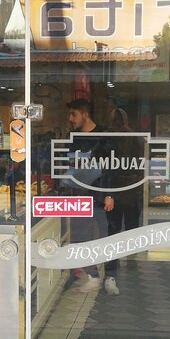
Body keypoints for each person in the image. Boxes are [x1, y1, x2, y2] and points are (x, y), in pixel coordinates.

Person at [65, 99, 108, 292]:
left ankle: (110, 276)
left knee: (105, 236)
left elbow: (111, 167)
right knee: (81, 235)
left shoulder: (103, 136)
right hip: (79, 194)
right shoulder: (72, 138)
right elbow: (70, 166)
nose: (70, 119)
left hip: (100, 195)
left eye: (73, 114)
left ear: (85, 114)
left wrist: (109, 194)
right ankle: (93, 276)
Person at [100, 108, 143, 296]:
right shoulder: (135, 138)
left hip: (116, 191)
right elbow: (142, 166)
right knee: (132, 231)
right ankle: (130, 268)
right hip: (132, 191)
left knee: (113, 232)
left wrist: (108, 193)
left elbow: (101, 164)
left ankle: (111, 273)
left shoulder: (108, 137)